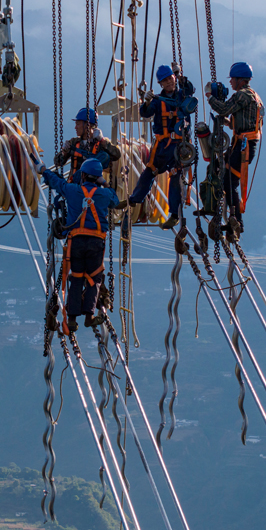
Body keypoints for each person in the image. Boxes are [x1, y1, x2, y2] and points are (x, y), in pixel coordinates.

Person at [36, 158, 120, 333]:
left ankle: (72, 319)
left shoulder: (72, 190)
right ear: (97, 177)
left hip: (76, 241)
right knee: (94, 277)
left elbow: (56, 182)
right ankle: (89, 316)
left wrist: (43, 169)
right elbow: (115, 200)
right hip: (96, 242)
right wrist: (104, 182)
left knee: (76, 277)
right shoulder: (104, 194)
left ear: (82, 175)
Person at [128, 64, 197, 230]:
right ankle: (134, 200)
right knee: (149, 171)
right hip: (163, 147)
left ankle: (174, 215)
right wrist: (146, 101)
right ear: (160, 83)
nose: (168, 83)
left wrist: (180, 74)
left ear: (174, 78)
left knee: (175, 177)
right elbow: (145, 113)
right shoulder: (157, 101)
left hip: (179, 147)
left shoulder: (183, 95)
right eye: (164, 81)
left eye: (170, 79)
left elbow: (190, 89)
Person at [206, 61, 264, 233]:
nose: (230, 82)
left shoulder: (243, 95)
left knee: (229, 182)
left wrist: (210, 97)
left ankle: (237, 222)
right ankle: (234, 221)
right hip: (242, 144)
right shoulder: (252, 95)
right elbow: (241, 122)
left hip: (243, 147)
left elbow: (223, 108)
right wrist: (227, 122)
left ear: (240, 80)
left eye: (232, 79)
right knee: (224, 176)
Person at [53, 108, 122, 183]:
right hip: (74, 187)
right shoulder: (74, 143)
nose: (75, 127)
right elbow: (58, 162)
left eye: (78, 124)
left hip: (92, 189)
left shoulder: (100, 143)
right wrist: (64, 151)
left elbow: (117, 155)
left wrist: (102, 140)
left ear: (87, 125)